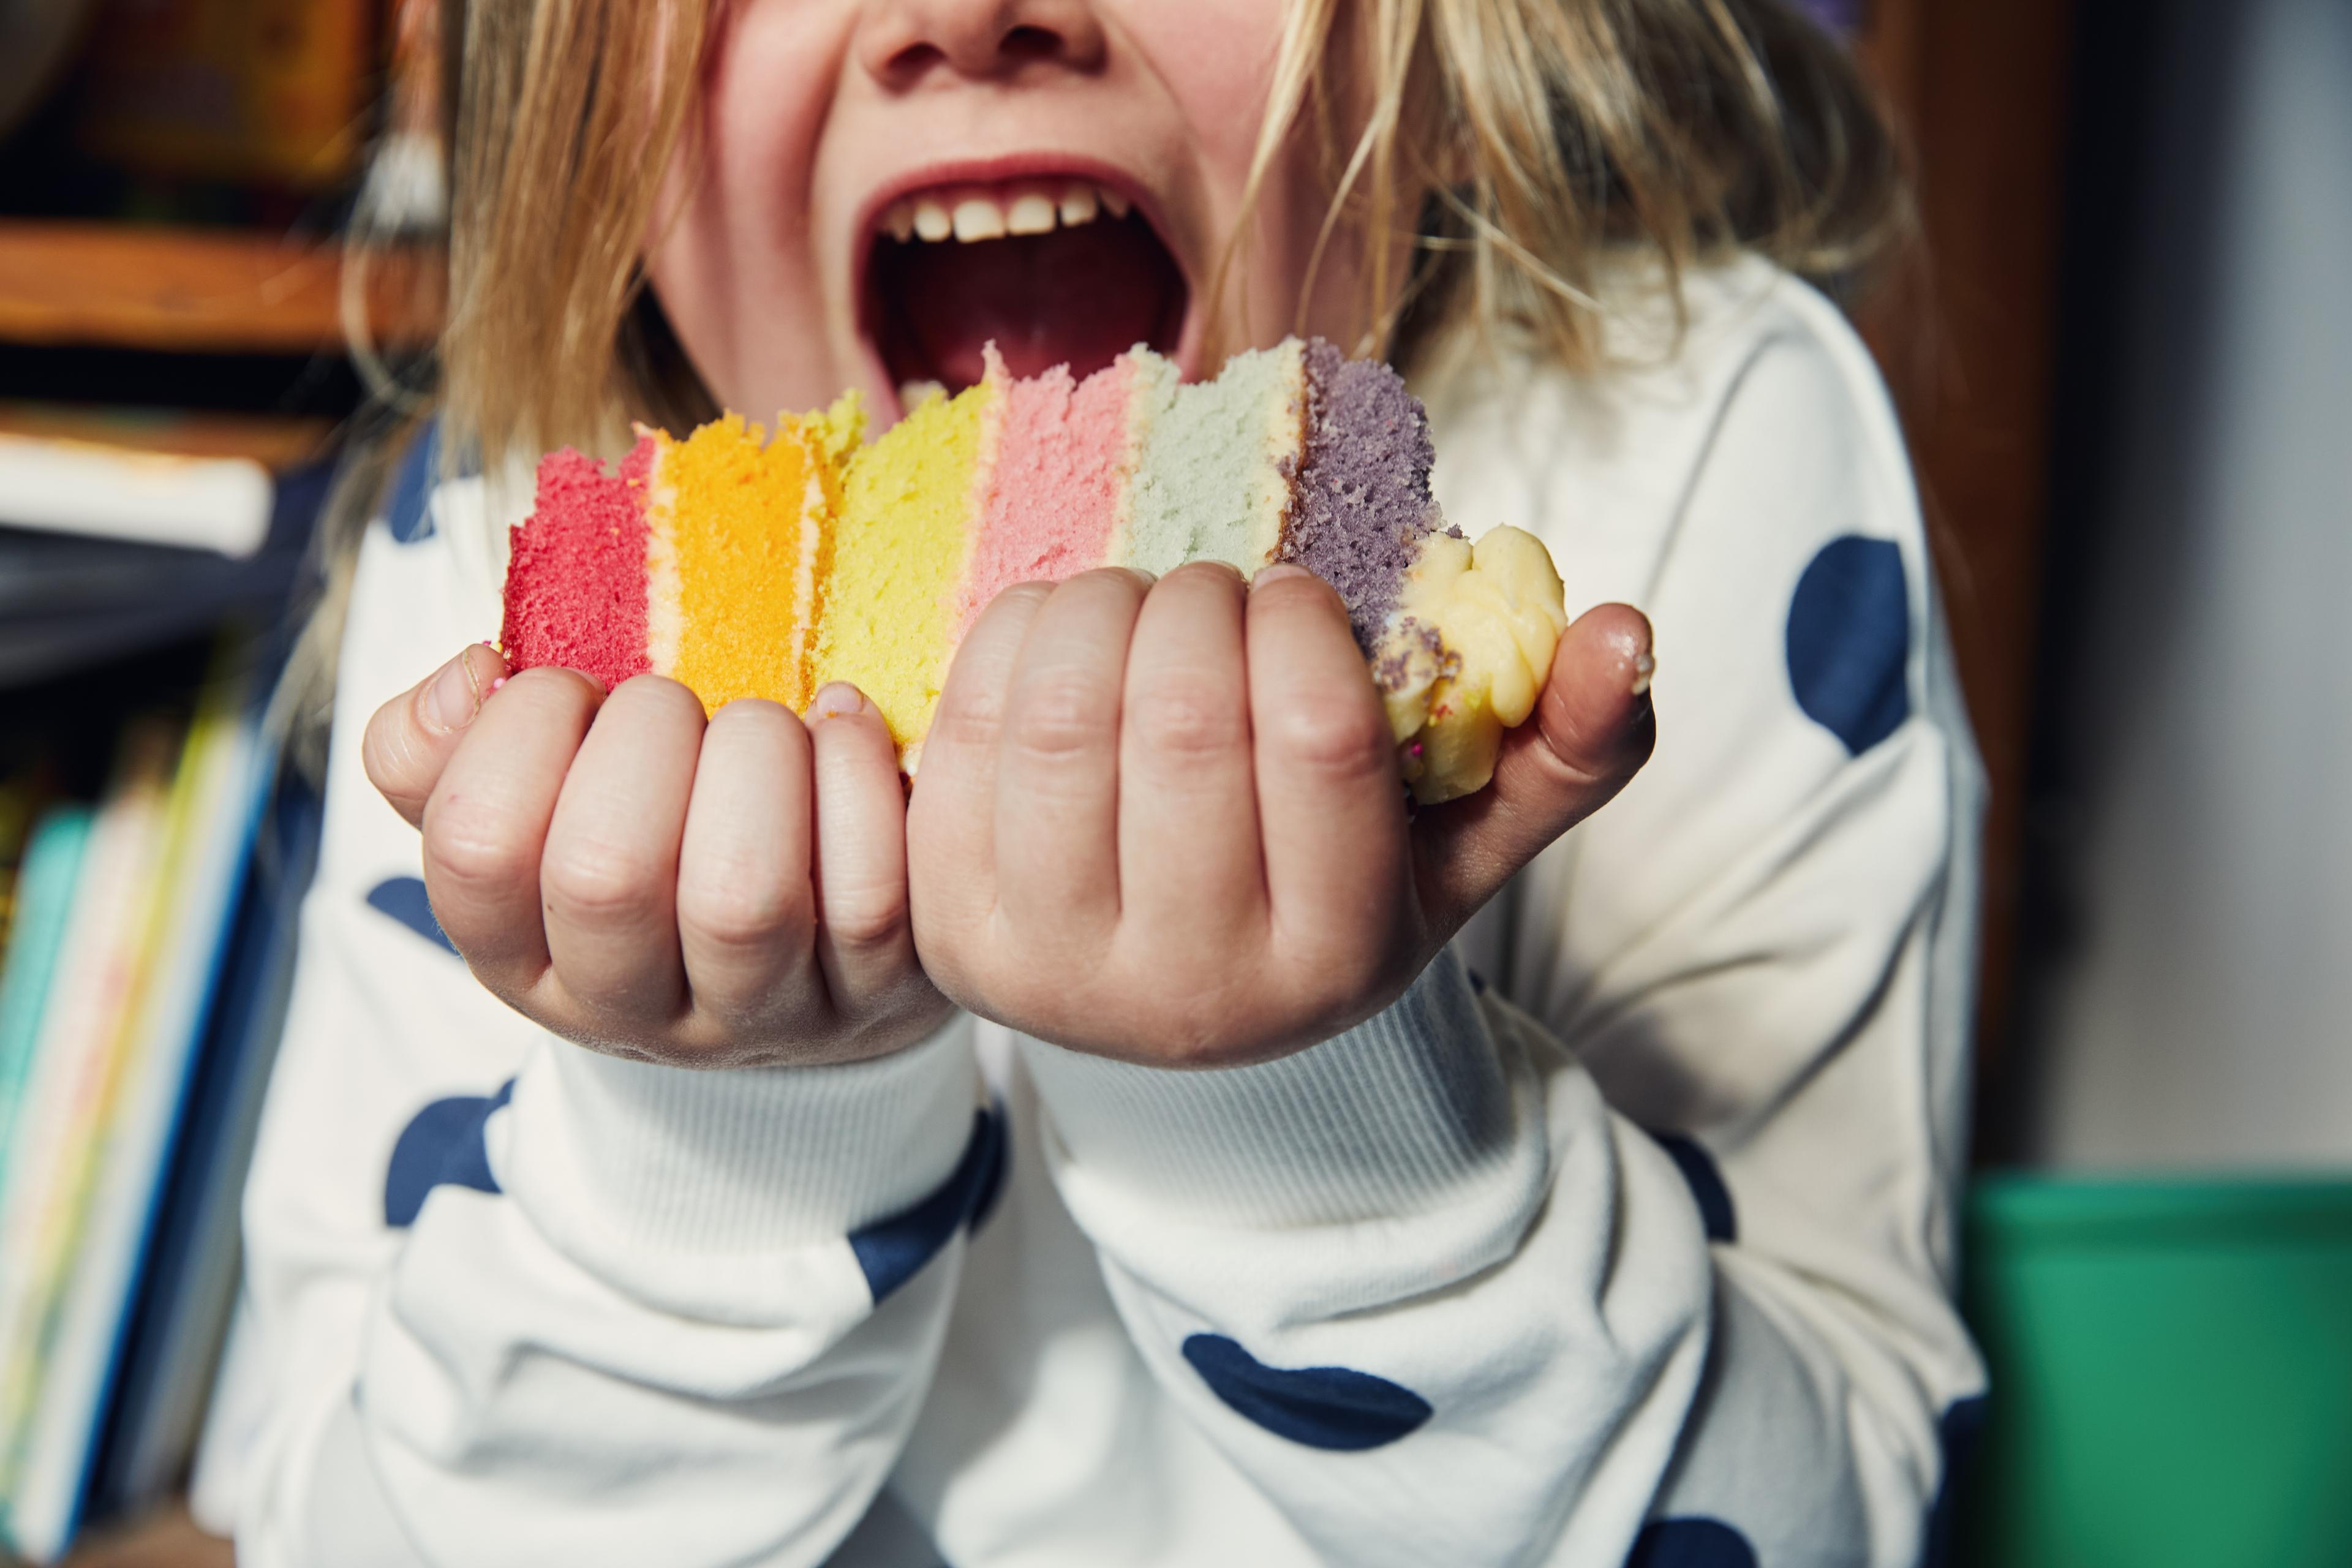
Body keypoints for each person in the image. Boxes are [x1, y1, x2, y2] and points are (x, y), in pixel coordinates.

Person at [193, 1, 1988, 1563]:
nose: (967, 16)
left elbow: (1830, 1518)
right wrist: (724, 1135)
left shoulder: (1688, 434)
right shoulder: (512, 562)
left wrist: (1324, 1113)